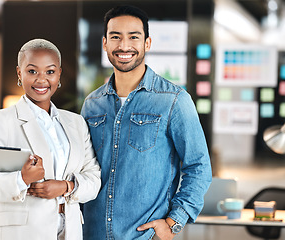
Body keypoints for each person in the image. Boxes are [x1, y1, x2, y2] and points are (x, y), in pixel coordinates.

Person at [81, 5, 212, 240]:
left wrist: (173, 222)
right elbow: (82, 167)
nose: (124, 46)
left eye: (134, 37)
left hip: (144, 236)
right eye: (115, 37)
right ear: (105, 44)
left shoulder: (173, 100)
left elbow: (199, 167)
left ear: (147, 43)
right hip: (92, 233)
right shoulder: (92, 104)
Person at [0, 38, 101, 240]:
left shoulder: (76, 123)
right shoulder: (1, 120)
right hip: (22, 233)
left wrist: (66, 187)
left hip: (70, 232)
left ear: (59, 74)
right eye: (32, 71)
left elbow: (94, 179)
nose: (41, 79)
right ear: (19, 74)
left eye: (50, 71)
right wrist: (21, 179)